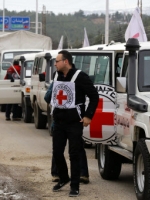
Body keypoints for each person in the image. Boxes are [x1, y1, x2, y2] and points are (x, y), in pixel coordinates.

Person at [51, 50, 99, 197]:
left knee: (74, 154)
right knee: (57, 152)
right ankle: (64, 178)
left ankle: (75, 185)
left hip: (74, 122)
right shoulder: (57, 75)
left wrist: (88, 116)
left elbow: (94, 96)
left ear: (66, 61)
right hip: (59, 121)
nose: (55, 64)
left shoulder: (80, 76)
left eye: (57, 61)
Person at [44, 82, 90, 184]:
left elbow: (47, 98)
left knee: (58, 149)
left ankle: (56, 174)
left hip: (61, 120)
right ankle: (83, 173)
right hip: (74, 120)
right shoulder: (77, 81)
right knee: (76, 147)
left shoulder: (57, 82)